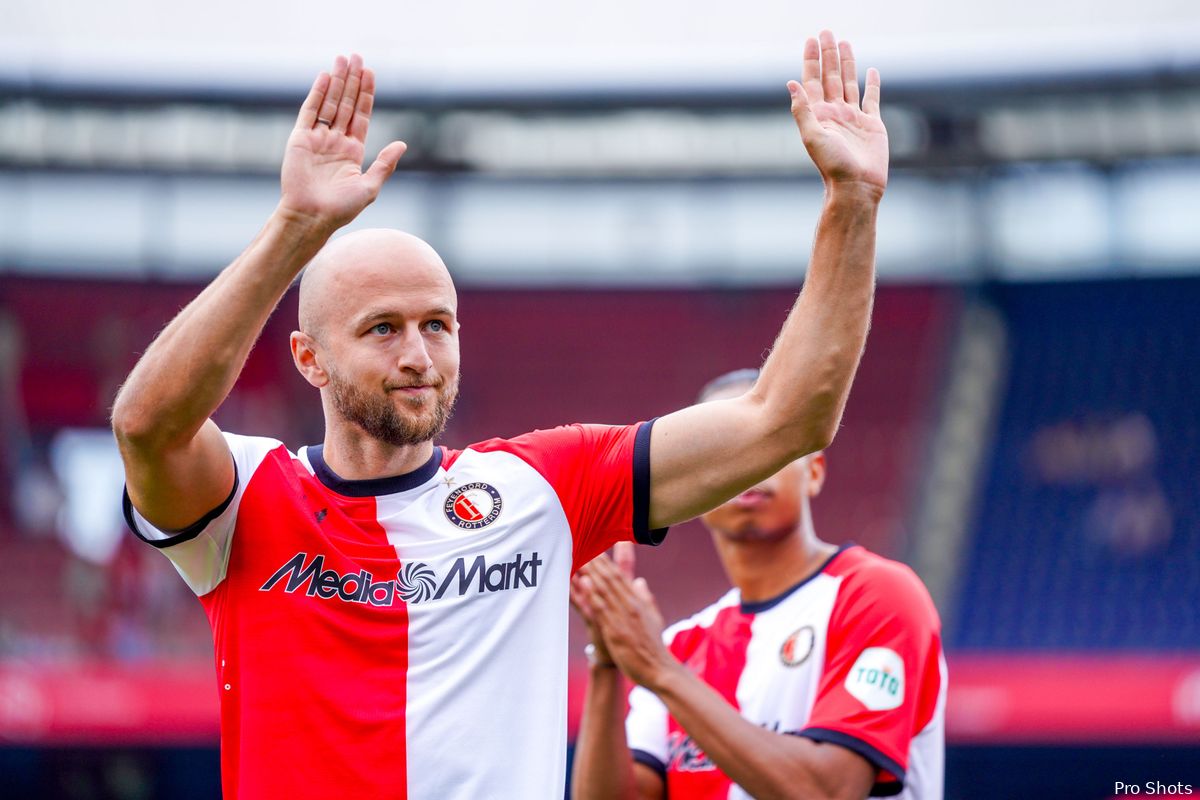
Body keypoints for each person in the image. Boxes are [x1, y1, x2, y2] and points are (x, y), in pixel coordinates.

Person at [111, 31, 888, 800]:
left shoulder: (542, 487)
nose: (419, 353)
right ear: (310, 358)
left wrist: (852, 203)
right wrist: (297, 231)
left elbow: (784, 421)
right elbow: (146, 425)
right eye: (383, 328)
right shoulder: (245, 499)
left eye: (437, 325)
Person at [569, 369, 946, 800]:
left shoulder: (877, 594)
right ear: (692, 483)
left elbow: (829, 791)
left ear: (815, 471)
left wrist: (658, 670)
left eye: (771, 444)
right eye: (725, 449)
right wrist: (607, 658)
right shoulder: (682, 645)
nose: (750, 467)